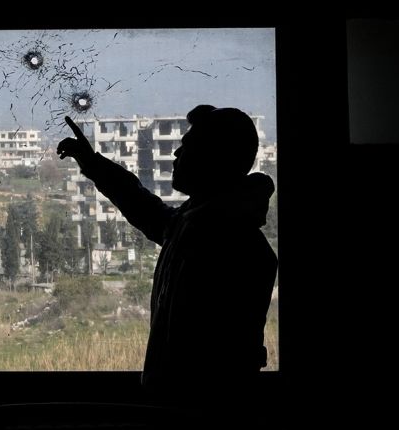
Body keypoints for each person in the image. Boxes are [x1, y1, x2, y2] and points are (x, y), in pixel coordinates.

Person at [57, 105, 278, 406]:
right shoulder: (201, 226)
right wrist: (91, 162)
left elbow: (221, 364)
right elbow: (144, 207)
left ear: (214, 159)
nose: (176, 155)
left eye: (188, 147)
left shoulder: (228, 243)